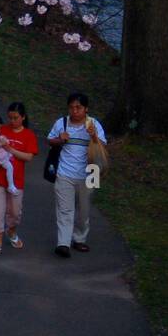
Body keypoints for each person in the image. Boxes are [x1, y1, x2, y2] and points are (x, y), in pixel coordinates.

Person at [46, 91, 108, 259]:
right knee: (65, 210)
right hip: (64, 172)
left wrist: (93, 135)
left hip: (90, 172)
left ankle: (79, 238)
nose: (75, 111)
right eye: (72, 107)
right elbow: (49, 140)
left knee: (84, 210)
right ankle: (63, 243)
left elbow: (103, 146)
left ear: (86, 109)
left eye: (78, 107)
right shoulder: (62, 123)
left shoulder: (93, 124)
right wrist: (60, 139)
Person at [0, 102, 38, 256]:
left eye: (15, 118)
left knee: (14, 212)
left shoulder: (28, 135)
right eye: (10, 118)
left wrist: (10, 149)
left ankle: (12, 231)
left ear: (23, 117)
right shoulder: (2, 130)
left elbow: (28, 157)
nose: (12, 121)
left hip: (15, 180)